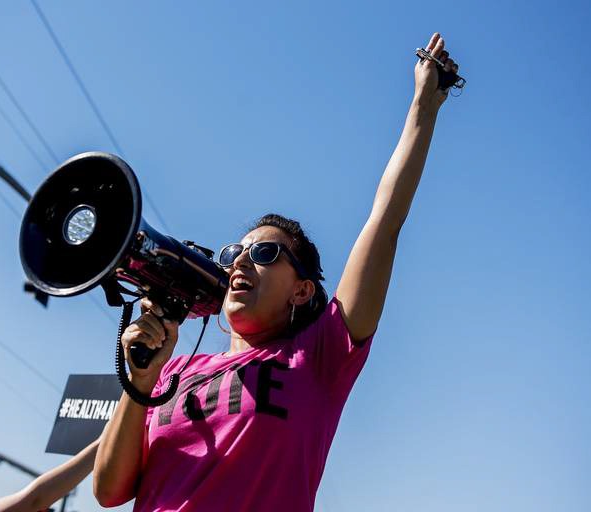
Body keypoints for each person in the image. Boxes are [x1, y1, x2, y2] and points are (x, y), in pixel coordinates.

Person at [93, 32, 460, 511]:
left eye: (265, 254)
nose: (242, 261)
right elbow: (109, 492)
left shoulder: (323, 355)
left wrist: (424, 107)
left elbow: (385, 219)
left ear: (302, 290)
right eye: (233, 255)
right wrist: (140, 382)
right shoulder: (174, 371)